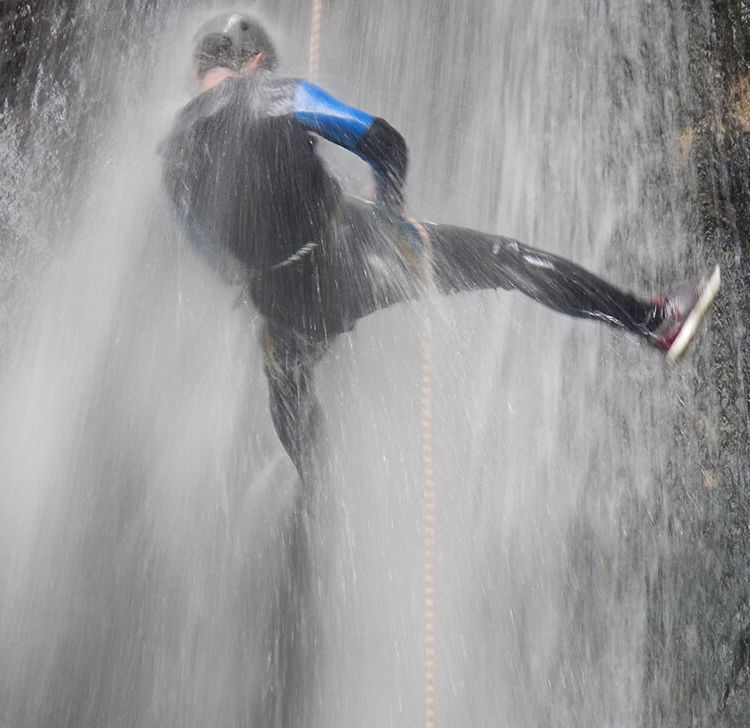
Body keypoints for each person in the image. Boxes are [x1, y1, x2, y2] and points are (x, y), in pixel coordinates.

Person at [160, 12, 720, 478]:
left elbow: (209, 252)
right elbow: (382, 140)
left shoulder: (173, 157)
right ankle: (655, 321)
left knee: (288, 395)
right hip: (355, 261)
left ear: (200, 72)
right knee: (502, 261)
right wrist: (386, 203)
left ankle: (318, 502)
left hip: (283, 305)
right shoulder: (278, 94)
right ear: (253, 61)